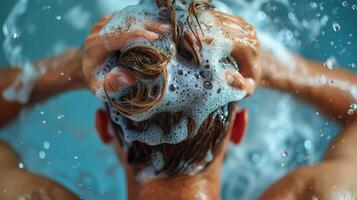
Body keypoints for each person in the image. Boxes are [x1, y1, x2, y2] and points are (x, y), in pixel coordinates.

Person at [0, 1, 357, 200]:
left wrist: (73, 68)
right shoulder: (320, 194)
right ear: (239, 129)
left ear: (103, 128)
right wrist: (273, 68)